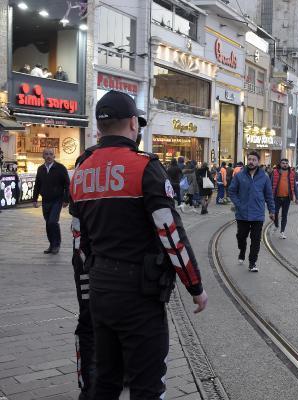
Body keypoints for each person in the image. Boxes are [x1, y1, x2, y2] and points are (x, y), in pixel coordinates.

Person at [69, 90, 207, 399]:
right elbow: (170, 234)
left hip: (101, 290)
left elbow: (79, 244)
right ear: (134, 124)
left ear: (99, 127)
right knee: (147, 385)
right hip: (139, 294)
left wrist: (87, 299)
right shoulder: (144, 167)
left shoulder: (81, 171)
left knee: (106, 379)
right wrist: (195, 286)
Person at [228, 151, 275, 272]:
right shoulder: (239, 175)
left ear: (258, 162)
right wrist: (239, 204)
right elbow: (232, 191)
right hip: (242, 214)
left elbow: (269, 195)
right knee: (241, 237)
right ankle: (242, 250)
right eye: (249, 159)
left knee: (255, 240)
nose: (251, 162)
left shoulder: (264, 176)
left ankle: (252, 263)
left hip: (258, 214)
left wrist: (271, 211)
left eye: (254, 160)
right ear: (246, 160)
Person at [33, 148, 70, 254]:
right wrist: (35, 199)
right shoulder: (40, 169)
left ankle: (56, 245)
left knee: (53, 221)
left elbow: (67, 184)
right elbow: (37, 184)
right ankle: (51, 244)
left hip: (57, 199)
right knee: (48, 223)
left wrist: (66, 199)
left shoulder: (60, 168)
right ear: (43, 156)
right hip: (45, 200)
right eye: (46, 154)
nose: (48, 156)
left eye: (50, 154)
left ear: (54, 156)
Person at [271, 159, 298, 239]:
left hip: (287, 197)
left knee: (284, 215)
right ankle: (276, 225)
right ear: (280, 164)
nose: (285, 165)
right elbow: (271, 184)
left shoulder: (291, 173)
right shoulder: (275, 172)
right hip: (276, 197)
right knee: (275, 213)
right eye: (283, 163)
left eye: (286, 163)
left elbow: (295, 185)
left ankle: (282, 232)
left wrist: (297, 197)